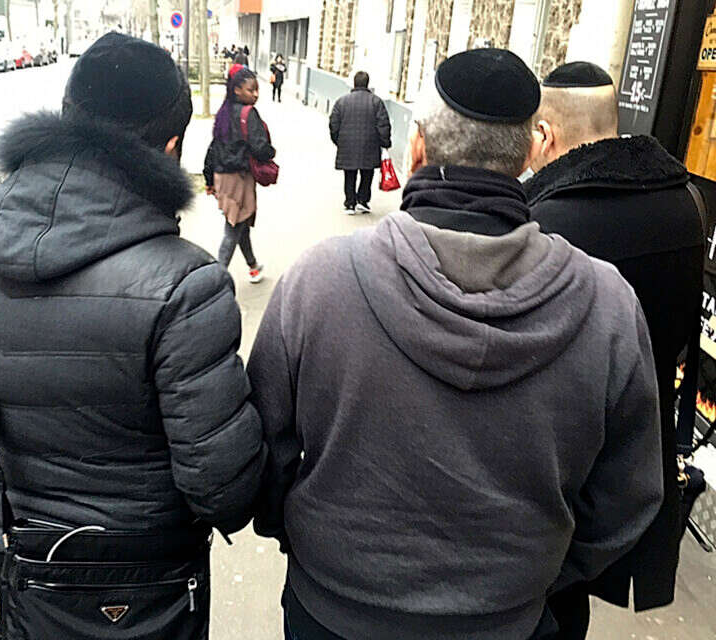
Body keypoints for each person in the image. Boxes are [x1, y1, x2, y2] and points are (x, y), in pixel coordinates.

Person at [248, 49, 663, 640]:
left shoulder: (319, 280)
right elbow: (628, 495)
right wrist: (540, 575)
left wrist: (304, 538)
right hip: (512, 618)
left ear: (417, 147)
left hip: (333, 611)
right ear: (531, 153)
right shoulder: (608, 304)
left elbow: (265, 452)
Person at [0, 33, 266, 632]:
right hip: (140, 568)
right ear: (170, 146)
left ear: (66, 116)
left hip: (9, 539)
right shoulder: (185, 285)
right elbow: (223, 488)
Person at [525, 61, 705, 639]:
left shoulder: (543, 221)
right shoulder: (687, 203)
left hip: (556, 456)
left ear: (545, 134)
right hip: (639, 447)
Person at [203, 64, 276, 284]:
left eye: (257, 90)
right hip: (239, 179)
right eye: (250, 90)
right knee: (233, 228)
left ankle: (253, 266)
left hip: (222, 178)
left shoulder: (224, 113)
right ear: (237, 90)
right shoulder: (248, 113)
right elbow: (260, 148)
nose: (255, 94)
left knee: (240, 223)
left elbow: (214, 147)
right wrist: (271, 152)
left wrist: (209, 178)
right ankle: (216, 279)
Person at [329, 71, 392, 215]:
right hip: (370, 144)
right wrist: (385, 143)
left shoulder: (342, 102)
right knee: (367, 173)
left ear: (354, 83)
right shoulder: (376, 102)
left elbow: (334, 124)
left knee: (349, 173)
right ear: (367, 83)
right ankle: (363, 201)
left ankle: (350, 203)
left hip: (347, 144)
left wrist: (339, 140)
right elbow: (383, 124)